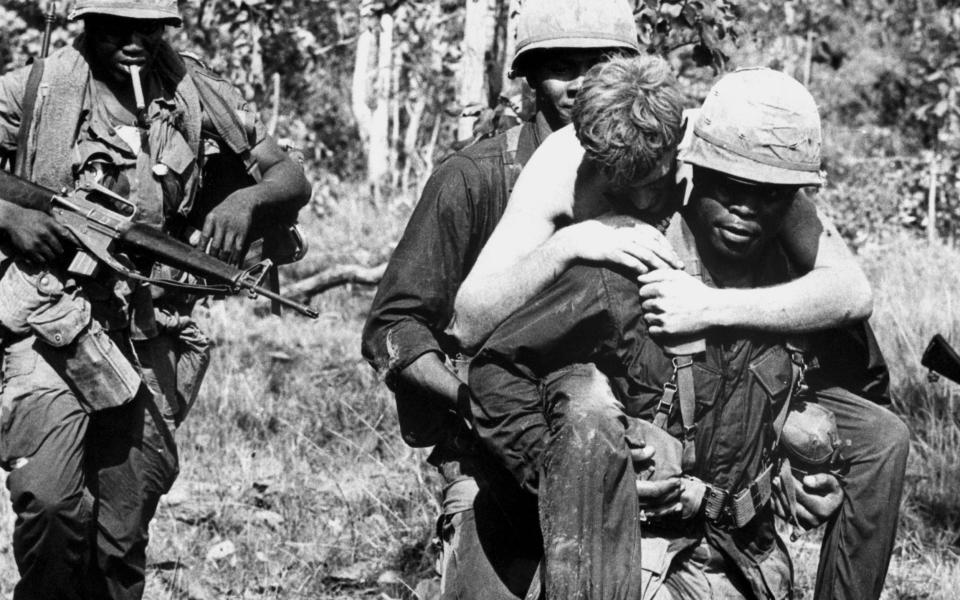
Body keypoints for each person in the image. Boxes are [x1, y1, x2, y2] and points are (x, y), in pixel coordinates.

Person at [453, 58, 908, 600]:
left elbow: (853, 309)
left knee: (884, 438)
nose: (746, 207)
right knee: (589, 417)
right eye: (732, 188)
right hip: (639, 543)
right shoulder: (595, 228)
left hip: (735, 546)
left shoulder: (762, 183)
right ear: (701, 171)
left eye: (768, 195)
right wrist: (577, 479)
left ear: (682, 157)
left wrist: (802, 466)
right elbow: (475, 336)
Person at [0, 2, 311, 599]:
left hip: (151, 330)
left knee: (123, 524)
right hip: (52, 318)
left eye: (149, 28)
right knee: (51, 501)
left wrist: (244, 203)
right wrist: (9, 213)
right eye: (118, 28)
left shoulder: (195, 91)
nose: (135, 42)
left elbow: (289, 175)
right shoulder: (36, 90)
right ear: (87, 25)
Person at [361, 1, 657, 597]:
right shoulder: (474, 178)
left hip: (630, 445)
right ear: (527, 76)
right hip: (491, 454)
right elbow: (393, 328)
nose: (578, 82)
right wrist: (468, 400)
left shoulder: (655, 172)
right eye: (559, 65)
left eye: (598, 63)